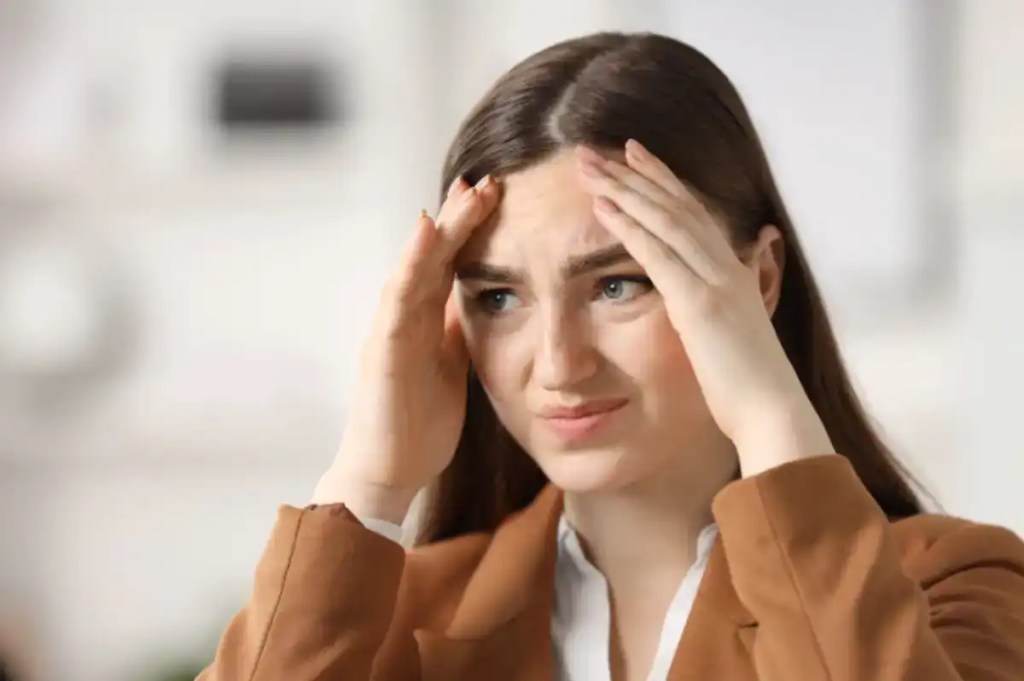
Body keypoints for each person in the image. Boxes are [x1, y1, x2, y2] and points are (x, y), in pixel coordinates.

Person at [197, 32, 1024, 681]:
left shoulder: (959, 584)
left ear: (758, 276)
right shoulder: (389, 617)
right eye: (498, 297)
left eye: (618, 285)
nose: (558, 363)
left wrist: (773, 416)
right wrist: (367, 479)